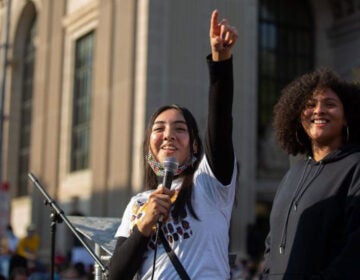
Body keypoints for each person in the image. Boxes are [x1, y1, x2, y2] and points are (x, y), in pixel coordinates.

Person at [109, 9, 238, 280]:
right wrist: (144, 224)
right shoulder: (138, 203)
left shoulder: (210, 185)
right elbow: (116, 274)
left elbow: (220, 120)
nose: (168, 135)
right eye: (159, 129)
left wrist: (221, 62)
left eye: (180, 129)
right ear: (149, 147)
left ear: (194, 146)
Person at [261, 68, 360, 279]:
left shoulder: (356, 166)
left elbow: (354, 252)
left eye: (330, 104)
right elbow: (272, 243)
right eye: (309, 105)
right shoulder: (292, 174)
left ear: (346, 117)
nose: (318, 111)